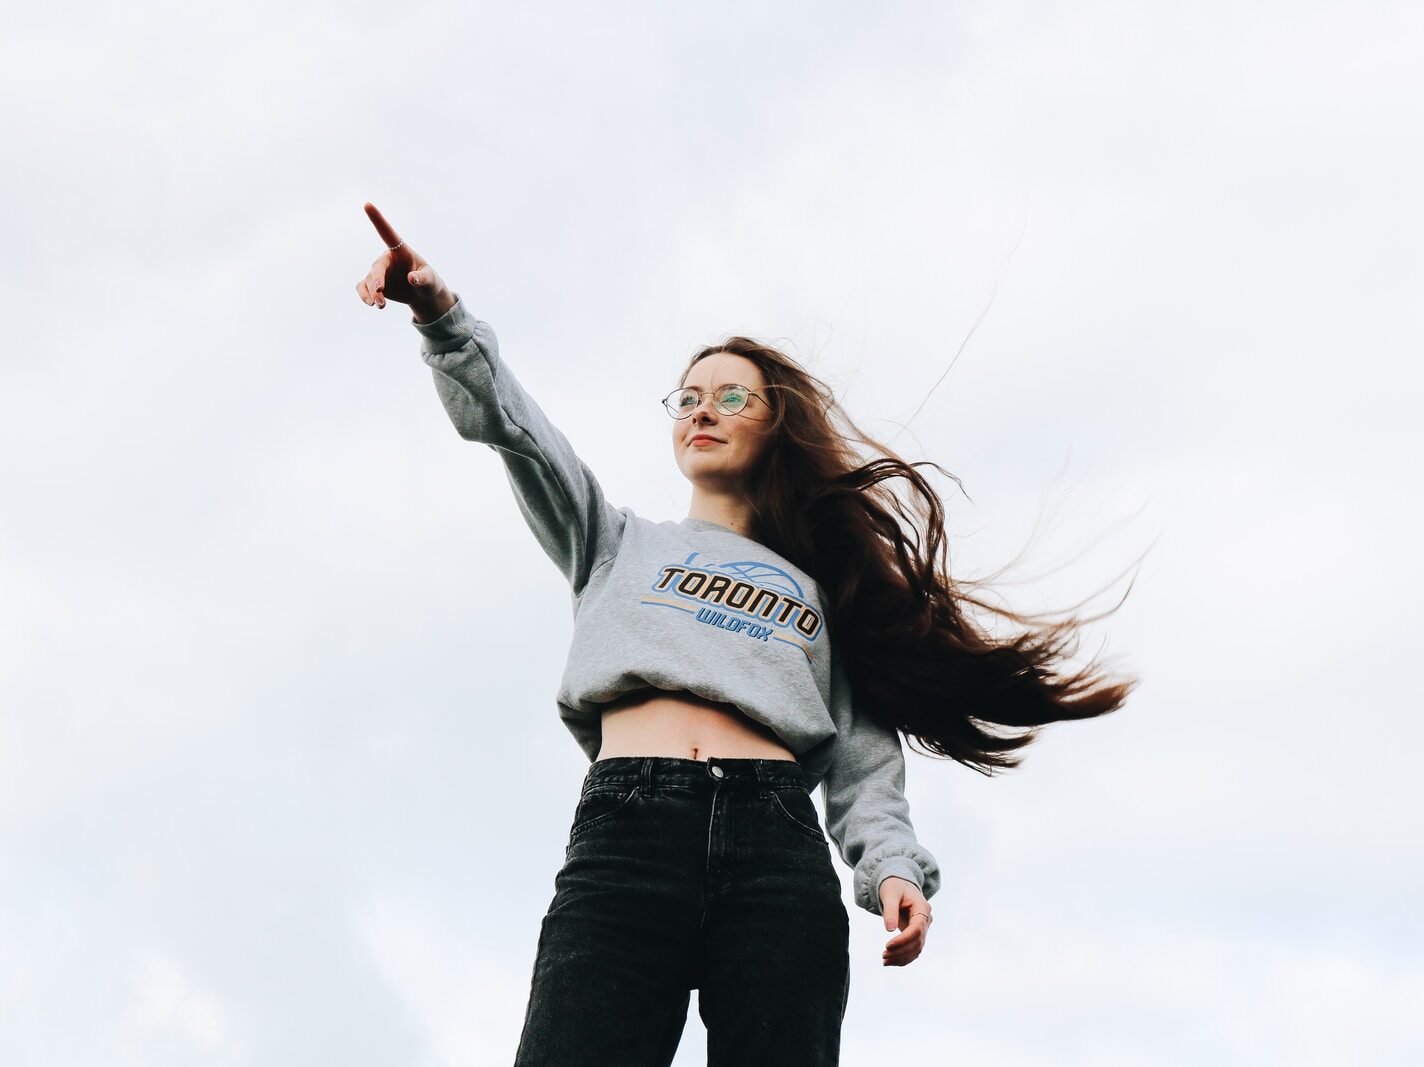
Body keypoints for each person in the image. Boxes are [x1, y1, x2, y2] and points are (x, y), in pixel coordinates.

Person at [355, 202, 1138, 1066]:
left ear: (777, 423)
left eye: (731, 396)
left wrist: (893, 868)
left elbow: (863, 760)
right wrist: (442, 318)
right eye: (687, 397)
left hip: (776, 850)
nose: (703, 410)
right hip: (627, 837)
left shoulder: (825, 593)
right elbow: (517, 433)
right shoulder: (615, 541)